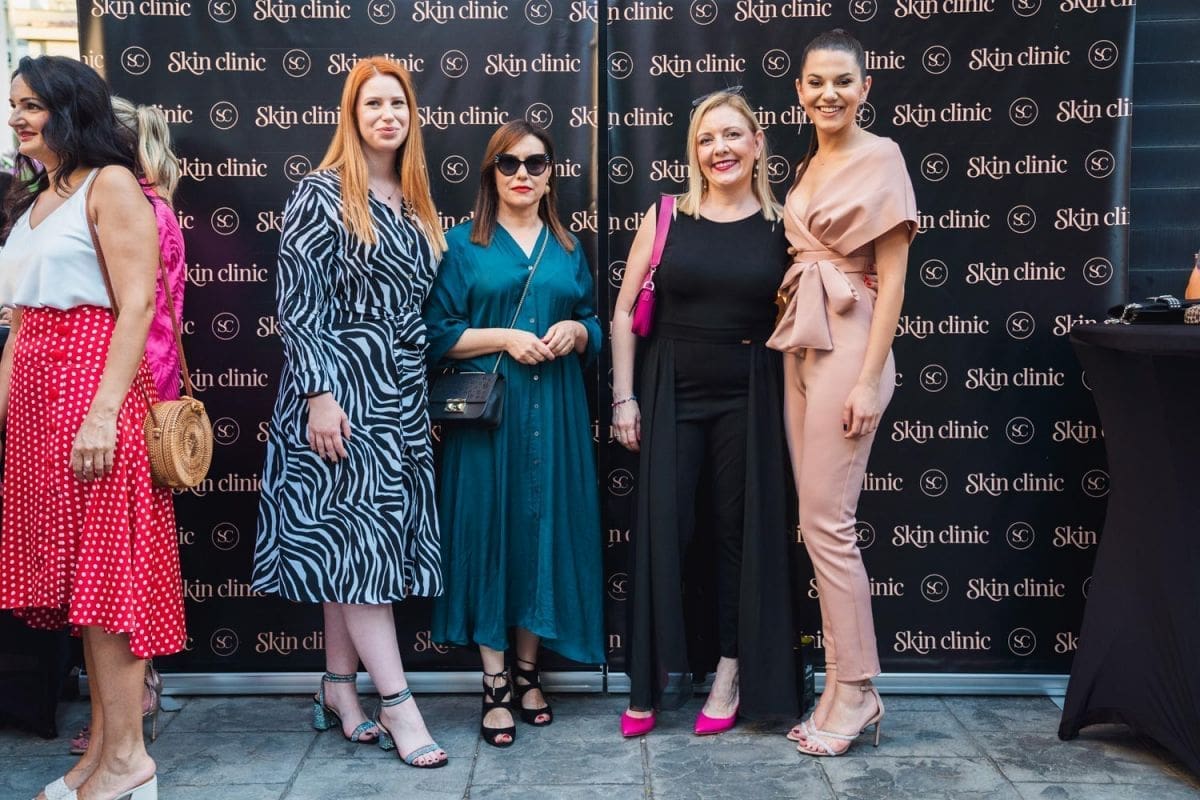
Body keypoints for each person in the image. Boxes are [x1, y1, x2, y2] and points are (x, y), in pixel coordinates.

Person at [251, 56, 448, 769]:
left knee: (352, 547)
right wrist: (319, 395)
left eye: (398, 104)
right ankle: (399, 704)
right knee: (360, 548)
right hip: (340, 395)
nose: (387, 115)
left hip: (399, 395)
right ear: (352, 115)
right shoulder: (321, 193)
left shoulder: (415, 202)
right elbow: (299, 306)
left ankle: (339, 687)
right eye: (373, 104)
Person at [0, 55, 185, 800]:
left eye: (31, 104)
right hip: (38, 399)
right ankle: (101, 755)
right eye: (14, 104)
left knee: (109, 582)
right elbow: (20, 323)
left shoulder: (111, 184)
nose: (17, 116)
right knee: (81, 585)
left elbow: (137, 305)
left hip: (90, 390)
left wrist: (104, 412)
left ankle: (129, 761)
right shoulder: (39, 193)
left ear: (71, 108)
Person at [611, 89, 799, 737]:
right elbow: (623, 312)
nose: (720, 149)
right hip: (670, 388)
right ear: (694, 151)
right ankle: (649, 681)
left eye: (732, 135)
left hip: (751, 394)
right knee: (665, 529)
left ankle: (730, 671)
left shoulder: (785, 225)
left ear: (757, 144)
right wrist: (625, 396)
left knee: (736, 536)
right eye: (706, 139)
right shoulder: (667, 214)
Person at [424, 120, 605, 747]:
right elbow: (436, 333)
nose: (522, 174)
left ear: (551, 174)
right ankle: (495, 682)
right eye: (508, 163)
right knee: (488, 535)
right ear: (490, 173)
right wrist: (506, 337)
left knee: (541, 534)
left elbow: (590, 321)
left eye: (535, 163)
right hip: (488, 420)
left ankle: (530, 672)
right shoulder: (462, 245)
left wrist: (577, 333)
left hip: (555, 413)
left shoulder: (568, 246)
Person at [769, 29, 918, 757]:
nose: (829, 94)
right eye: (816, 82)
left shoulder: (882, 156)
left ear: (865, 89)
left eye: (842, 82)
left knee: (830, 523)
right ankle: (838, 685)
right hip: (801, 340)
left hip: (850, 344)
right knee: (816, 522)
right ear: (800, 90)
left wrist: (867, 378)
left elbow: (894, 279)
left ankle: (856, 690)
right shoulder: (809, 162)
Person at [63, 96, 188, 762]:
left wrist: (125, 407)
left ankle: (130, 714)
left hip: (134, 394)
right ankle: (120, 719)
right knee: (109, 567)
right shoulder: (119, 199)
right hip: (125, 389)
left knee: (122, 568)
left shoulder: (139, 205)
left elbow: (147, 315)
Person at [112, 97, 185, 401]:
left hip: (141, 376)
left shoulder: (142, 209)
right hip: (144, 368)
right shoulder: (149, 204)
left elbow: (140, 305)